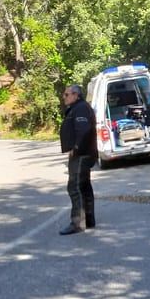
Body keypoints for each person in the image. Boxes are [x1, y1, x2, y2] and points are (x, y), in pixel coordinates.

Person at [58, 84, 97, 235]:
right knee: (84, 185)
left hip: (82, 154)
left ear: (76, 95)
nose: (64, 97)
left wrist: (76, 148)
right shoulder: (79, 107)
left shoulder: (80, 108)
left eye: (66, 94)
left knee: (74, 187)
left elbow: (84, 130)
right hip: (84, 152)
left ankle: (77, 223)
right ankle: (89, 219)